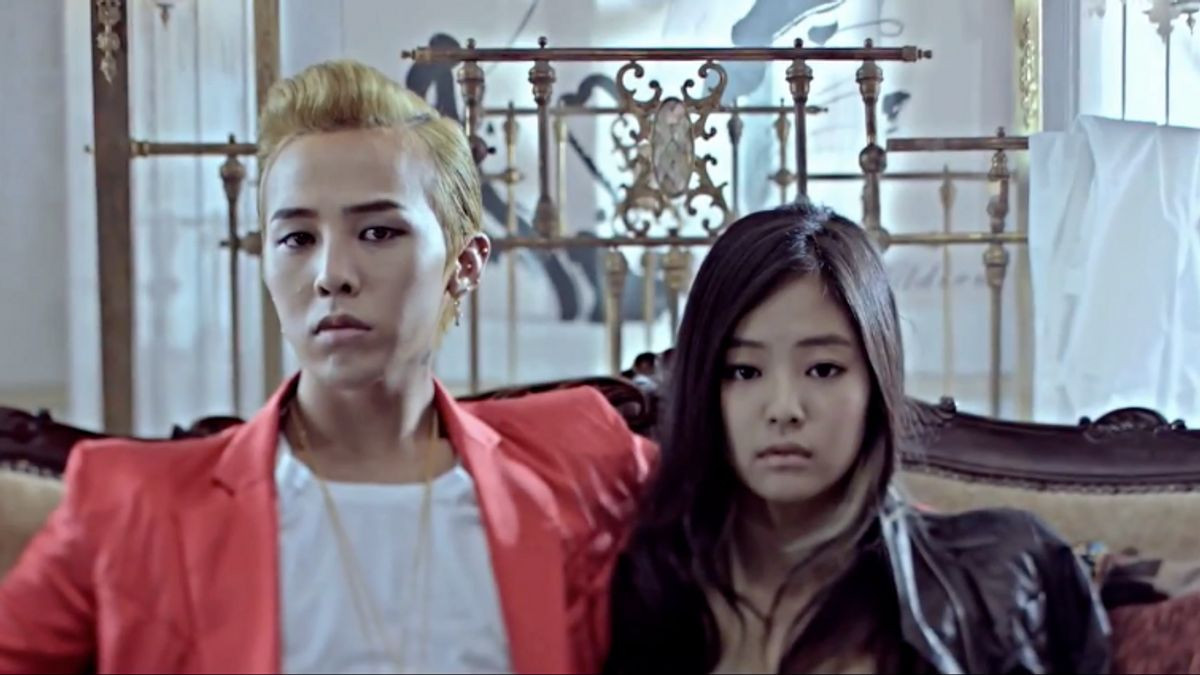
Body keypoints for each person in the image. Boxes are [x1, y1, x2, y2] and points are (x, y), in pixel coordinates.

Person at [0, 60, 654, 674]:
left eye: (378, 232)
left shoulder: (581, 458)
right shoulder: (131, 502)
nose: (332, 274)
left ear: (464, 264)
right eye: (297, 238)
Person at [604, 201, 1111, 674]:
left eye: (823, 369)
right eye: (743, 371)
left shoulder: (996, 578)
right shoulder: (647, 588)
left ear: (875, 382)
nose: (784, 409)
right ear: (702, 386)